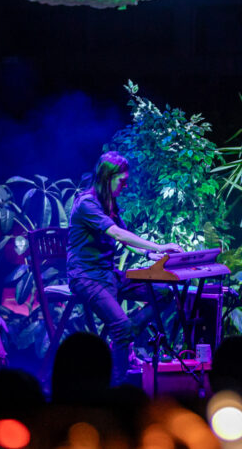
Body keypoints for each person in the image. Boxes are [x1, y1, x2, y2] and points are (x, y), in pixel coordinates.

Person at [67, 151, 182, 385]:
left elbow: (126, 241)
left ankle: (130, 331)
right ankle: (115, 387)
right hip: (86, 277)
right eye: (122, 180)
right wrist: (159, 244)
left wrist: (153, 254)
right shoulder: (87, 203)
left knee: (164, 293)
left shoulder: (109, 204)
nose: (126, 185)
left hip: (108, 275)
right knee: (119, 327)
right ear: (106, 178)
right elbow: (117, 233)